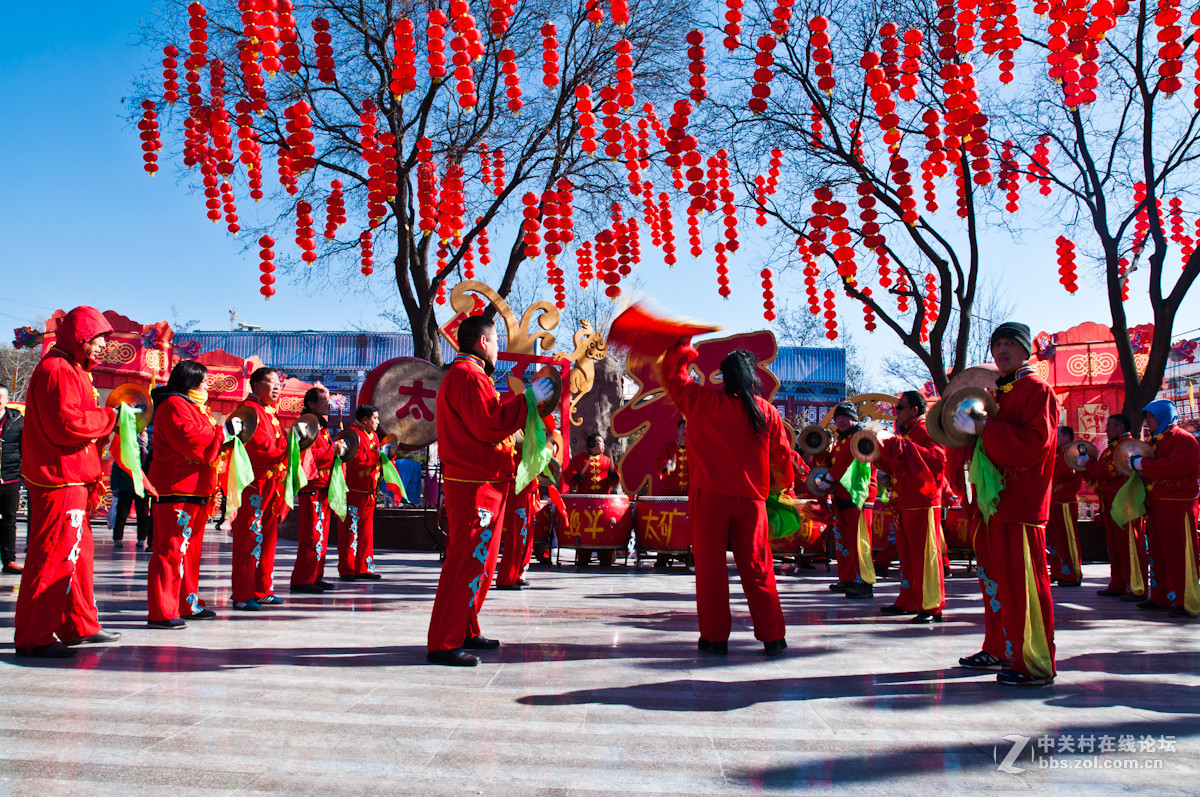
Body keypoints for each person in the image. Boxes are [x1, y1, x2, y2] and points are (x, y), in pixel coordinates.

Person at [426, 316, 552, 666]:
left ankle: (465, 627)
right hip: (473, 485)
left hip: (486, 483)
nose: (498, 349)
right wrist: (526, 399)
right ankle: (444, 641)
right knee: (465, 562)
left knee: (478, 563)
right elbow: (490, 423)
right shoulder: (468, 375)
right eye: (496, 341)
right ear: (483, 342)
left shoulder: (472, 375)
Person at [660, 344, 792, 656]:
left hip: (711, 498)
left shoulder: (702, 400)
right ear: (752, 377)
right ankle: (773, 637)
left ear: (723, 376)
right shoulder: (766, 410)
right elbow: (783, 458)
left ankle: (715, 638)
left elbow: (674, 378)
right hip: (752, 501)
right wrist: (781, 487)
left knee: (711, 569)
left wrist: (683, 350)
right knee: (759, 567)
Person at [950, 321, 1059, 686]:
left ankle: (1035, 663)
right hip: (993, 504)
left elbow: (1034, 445)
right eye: (997, 345)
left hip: (1021, 505)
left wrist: (985, 426)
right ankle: (1001, 648)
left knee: (1026, 586)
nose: (1002, 350)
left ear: (1026, 350)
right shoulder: (1002, 393)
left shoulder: (1037, 390)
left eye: (1011, 344)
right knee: (996, 583)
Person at [14, 306, 122, 657]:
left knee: (76, 557)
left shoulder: (72, 369)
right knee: (52, 557)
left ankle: (79, 626)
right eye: (99, 340)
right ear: (81, 338)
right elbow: (67, 424)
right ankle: (34, 636)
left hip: (73, 477)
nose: (103, 347)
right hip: (58, 478)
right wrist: (109, 417)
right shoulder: (56, 369)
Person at [146, 360, 227, 628]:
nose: (206, 385)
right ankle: (162, 611)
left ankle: (187, 603)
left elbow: (206, 436)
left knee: (188, 552)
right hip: (176, 488)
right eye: (203, 380)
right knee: (170, 551)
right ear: (190, 380)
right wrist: (222, 433)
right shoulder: (173, 405)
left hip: (196, 488)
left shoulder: (195, 407)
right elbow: (192, 440)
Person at [874, 391, 948, 623]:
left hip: (922, 503)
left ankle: (931, 605)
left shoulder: (926, 430)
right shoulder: (908, 433)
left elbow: (938, 459)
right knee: (907, 557)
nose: (896, 413)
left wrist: (902, 447)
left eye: (900, 408)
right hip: (904, 502)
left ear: (914, 410)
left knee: (925, 555)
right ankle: (907, 600)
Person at [1133, 399, 1200, 618]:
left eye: (1150, 416)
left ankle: (1182, 600)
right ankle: (1161, 596)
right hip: (1157, 505)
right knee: (1158, 553)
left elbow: (1176, 467)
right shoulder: (1153, 441)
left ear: (1163, 416)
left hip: (1178, 506)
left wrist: (1143, 465)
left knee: (1178, 553)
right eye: (1146, 417)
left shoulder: (1184, 439)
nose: (1147, 421)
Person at [229, 367, 288, 611]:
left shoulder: (269, 412)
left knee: (267, 536)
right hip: (253, 483)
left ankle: (262, 589)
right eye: (271, 382)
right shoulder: (248, 410)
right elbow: (260, 446)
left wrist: (288, 447)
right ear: (255, 385)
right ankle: (243, 593)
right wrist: (286, 450)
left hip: (271, 482)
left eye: (279, 383)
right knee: (249, 536)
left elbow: (280, 441)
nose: (277, 388)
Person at [1082, 414, 1146, 600]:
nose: (1106, 430)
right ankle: (1118, 584)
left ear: (1120, 427)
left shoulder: (1128, 447)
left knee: (1130, 545)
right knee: (1116, 547)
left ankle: (1137, 587)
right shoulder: (1112, 448)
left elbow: (1105, 471)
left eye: (1109, 426)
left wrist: (1089, 464)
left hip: (1125, 504)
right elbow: (1099, 473)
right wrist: (1088, 468)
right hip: (1110, 503)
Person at [821, 401, 878, 600]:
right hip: (842, 496)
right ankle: (847, 578)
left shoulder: (861, 436)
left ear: (854, 418)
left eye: (845, 416)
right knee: (843, 541)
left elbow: (847, 462)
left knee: (859, 542)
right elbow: (834, 461)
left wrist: (830, 478)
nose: (840, 420)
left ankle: (864, 582)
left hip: (859, 497)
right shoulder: (840, 440)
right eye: (838, 417)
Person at [290, 388, 337, 593]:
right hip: (312, 487)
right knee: (311, 535)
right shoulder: (304, 425)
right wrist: (332, 450)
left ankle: (316, 575)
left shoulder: (321, 426)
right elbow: (305, 455)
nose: (327, 404)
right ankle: (302, 579)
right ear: (310, 403)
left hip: (324, 485)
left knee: (321, 535)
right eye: (323, 400)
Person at [337, 404, 384, 582]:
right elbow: (355, 460)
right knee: (350, 530)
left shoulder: (373, 435)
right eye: (375, 418)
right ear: (365, 420)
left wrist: (386, 454)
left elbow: (377, 459)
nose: (378, 422)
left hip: (368, 491)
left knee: (365, 532)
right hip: (353, 491)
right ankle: (347, 569)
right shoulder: (352, 434)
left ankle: (363, 567)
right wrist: (378, 456)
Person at [563, 432, 622, 568]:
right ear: (593, 444)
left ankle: (606, 557)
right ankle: (583, 557)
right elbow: (568, 475)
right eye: (601, 442)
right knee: (585, 532)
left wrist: (614, 476)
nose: (603, 445)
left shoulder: (607, 461)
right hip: (585, 504)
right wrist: (575, 476)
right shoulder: (578, 460)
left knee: (604, 532)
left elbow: (615, 480)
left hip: (603, 505)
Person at [1046, 425, 1085, 587]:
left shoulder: (1072, 453)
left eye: (1058, 435)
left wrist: (1045, 468)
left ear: (1067, 437)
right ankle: (1057, 571)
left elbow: (1063, 473)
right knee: (1055, 539)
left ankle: (1073, 574)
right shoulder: (1059, 453)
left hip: (1066, 502)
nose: (1055, 438)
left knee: (1068, 538)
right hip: (1054, 501)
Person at [650, 418, 689, 569]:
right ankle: (663, 555)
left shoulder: (695, 447)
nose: (685, 431)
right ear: (677, 431)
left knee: (687, 527)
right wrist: (667, 466)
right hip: (670, 496)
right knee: (667, 526)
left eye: (687, 429)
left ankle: (687, 553)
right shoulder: (668, 447)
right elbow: (658, 466)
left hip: (688, 495)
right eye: (682, 428)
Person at [110, 430, 152, 548]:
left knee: (143, 515)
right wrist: (115, 487)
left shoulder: (147, 453)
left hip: (142, 488)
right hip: (126, 487)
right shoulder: (127, 451)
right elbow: (116, 469)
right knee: (122, 515)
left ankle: (141, 539)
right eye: (144, 437)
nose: (145, 440)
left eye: (146, 437)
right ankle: (117, 538)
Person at [0, 383, 24, 574]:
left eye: (1, 396)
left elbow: (25, 448)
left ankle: (9, 560)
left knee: (9, 520)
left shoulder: (18, 421)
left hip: (10, 477)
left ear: (7, 399)